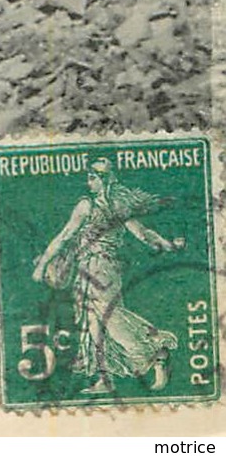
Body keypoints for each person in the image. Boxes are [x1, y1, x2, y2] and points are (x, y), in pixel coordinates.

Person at [31, 158, 183, 395]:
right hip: (92, 269)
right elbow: (144, 235)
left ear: (104, 180)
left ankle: (154, 350)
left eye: (92, 177)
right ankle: (105, 378)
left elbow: (64, 236)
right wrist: (168, 245)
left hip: (99, 269)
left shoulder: (89, 206)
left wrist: (42, 266)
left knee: (110, 318)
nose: (88, 182)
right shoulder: (117, 207)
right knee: (93, 326)